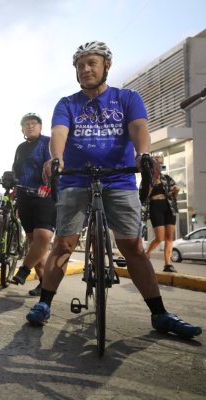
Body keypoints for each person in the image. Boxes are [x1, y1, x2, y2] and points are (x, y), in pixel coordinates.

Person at [27, 41, 201, 339]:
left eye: (91, 63)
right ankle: (44, 303)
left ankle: (159, 314)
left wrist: (142, 155)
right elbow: (59, 133)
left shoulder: (127, 98)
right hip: (76, 179)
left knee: (132, 247)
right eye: (80, 65)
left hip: (118, 179)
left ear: (106, 65)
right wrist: (57, 158)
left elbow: (138, 130)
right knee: (64, 244)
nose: (85, 69)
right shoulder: (67, 103)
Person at [10, 113, 55, 296]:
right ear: (22, 129)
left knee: (43, 236)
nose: (30, 126)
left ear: (40, 126)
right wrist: (11, 180)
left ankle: (24, 270)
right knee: (32, 241)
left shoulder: (48, 142)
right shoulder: (20, 148)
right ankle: (44, 284)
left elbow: (55, 166)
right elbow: (16, 169)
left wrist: (49, 185)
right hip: (24, 196)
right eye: (26, 124)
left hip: (46, 194)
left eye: (34, 123)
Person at [144, 153, 180, 272]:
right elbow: (144, 196)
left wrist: (176, 190)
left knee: (169, 237)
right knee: (160, 237)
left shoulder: (167, 178)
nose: (158, 167)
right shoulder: (147, 180)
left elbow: (174, 194)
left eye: (160, 165)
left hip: (169, 207)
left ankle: (167, 264)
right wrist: (152, 183)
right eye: (156, 165)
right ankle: (147, 253)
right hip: (155, 207)